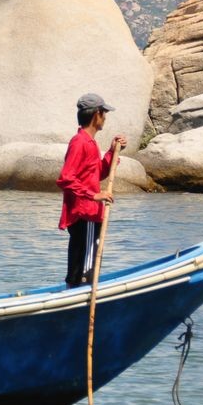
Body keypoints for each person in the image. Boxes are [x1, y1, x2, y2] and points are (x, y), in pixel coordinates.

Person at [57, 93, 128, 287]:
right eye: (104, 113)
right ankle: (77, 304)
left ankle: (74, 296)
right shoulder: (80, 142)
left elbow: (96, 174)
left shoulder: (89, 142)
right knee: (84, 272)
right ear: (97, 114)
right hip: (85, 214)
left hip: (89, 213)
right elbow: (66, 178)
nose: (105, 117)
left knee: (83, 267)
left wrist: (113, 152)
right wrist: (94, 195)